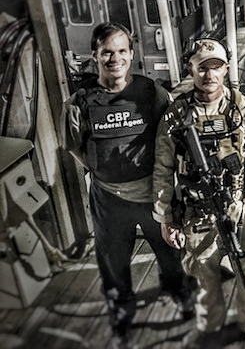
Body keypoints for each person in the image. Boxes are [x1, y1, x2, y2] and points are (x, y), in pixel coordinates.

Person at [61, 22, 193, 349]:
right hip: (108, 199)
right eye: (107, 52)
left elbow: (173, 135)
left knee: (170, 251)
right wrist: (100, 170)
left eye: (122, 51)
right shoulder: (79, 102)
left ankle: (179, 292)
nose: (115, 58)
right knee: (113, 262)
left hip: (152, 195)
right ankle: (121, 312)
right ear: (94, 56)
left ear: (132, 54)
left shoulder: (152, 93)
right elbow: (73, 145)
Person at [152, 38, 245, 349]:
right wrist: (166, 218)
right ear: (191, 69)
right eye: (202, 68)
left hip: (239, 205)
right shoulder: (176, 115)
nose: (209, 75)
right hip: (196, 210)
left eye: (216, 67)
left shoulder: (243, 109)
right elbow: (163, 169)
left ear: (226, 69)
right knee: (203, 275)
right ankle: (210, 329)